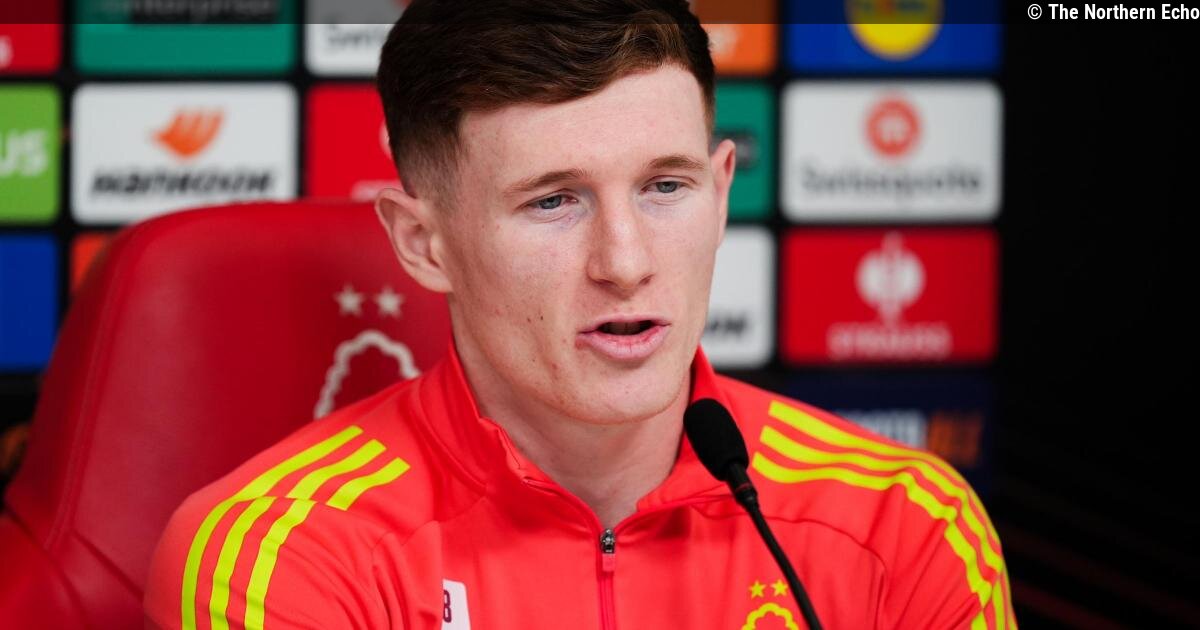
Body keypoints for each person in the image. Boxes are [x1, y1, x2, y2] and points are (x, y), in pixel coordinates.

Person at [144, 1, 1014, 627]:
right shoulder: (280, 559)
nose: (626, 263)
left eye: (665, 187)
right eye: (553, 202)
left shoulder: (904, 524)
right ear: (423, 243)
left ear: (720, 195)